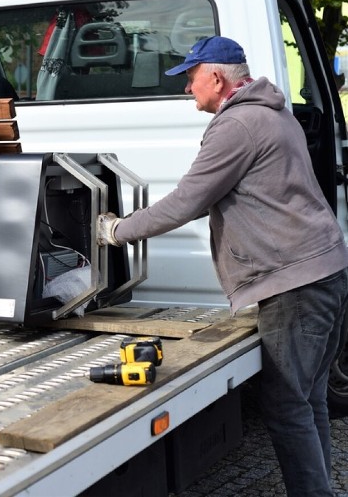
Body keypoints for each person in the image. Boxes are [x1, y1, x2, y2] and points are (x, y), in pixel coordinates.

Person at [97, 35, 348, 496]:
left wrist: (115, 231)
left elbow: (187, 202)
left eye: (190, 78)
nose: (187, 89)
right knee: (308, 398)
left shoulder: (238, 126)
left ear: (215, 76)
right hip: (325, 267)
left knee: (287, 404)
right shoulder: (274, 112)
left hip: (296, 282)